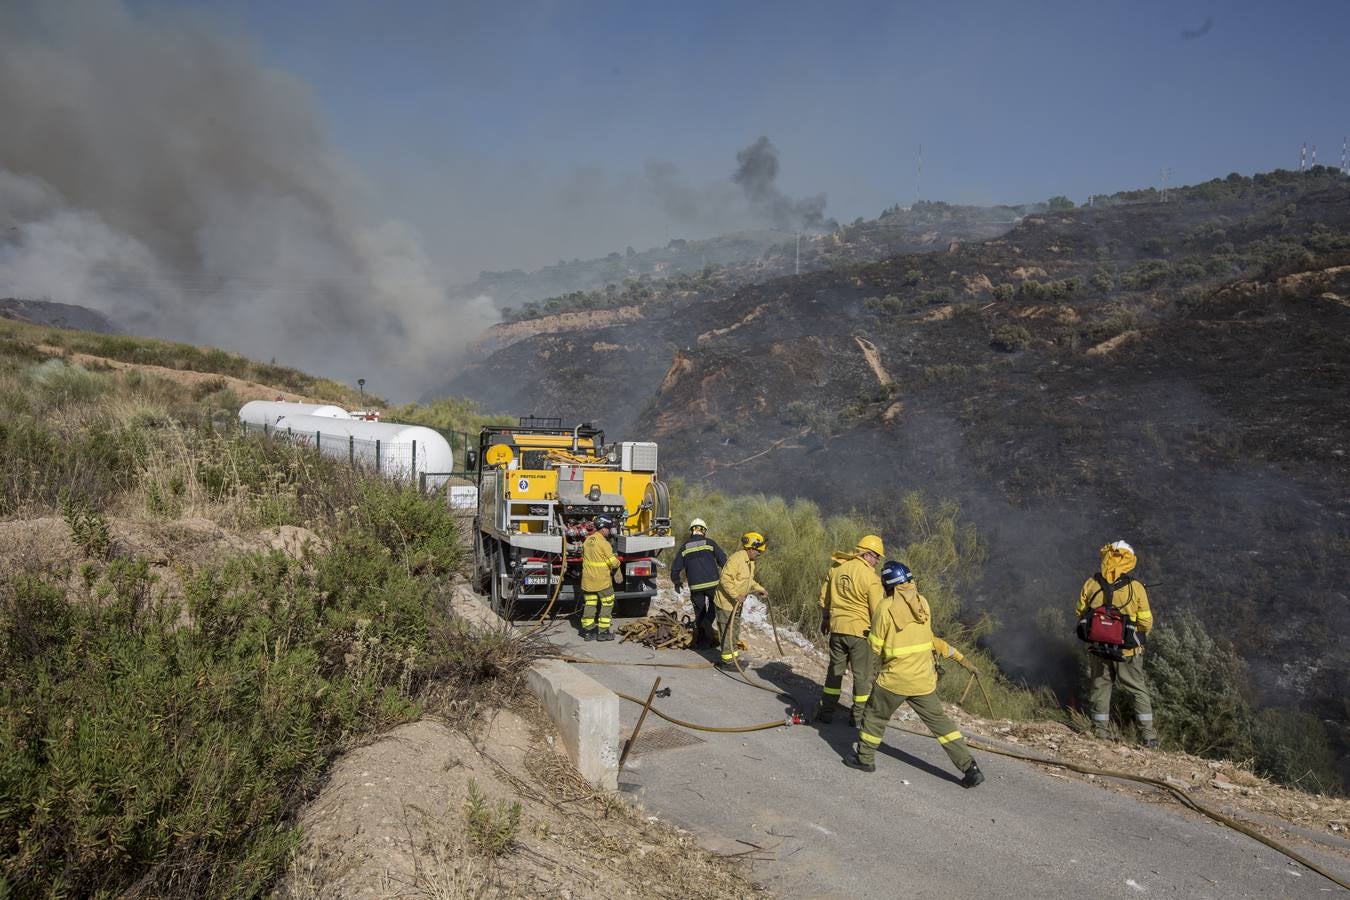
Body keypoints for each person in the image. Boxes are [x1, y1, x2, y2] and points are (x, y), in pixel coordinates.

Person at [846, 561, 985, 788]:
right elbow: (927, 637)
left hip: (895, 680)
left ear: (887, 585)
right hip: (923, 680)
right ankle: (970, 768)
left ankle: (864, 759)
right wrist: (962, 659)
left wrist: (871, 637)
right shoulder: (923, 603)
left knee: (874, 718)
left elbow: (875, 647)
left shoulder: (885, 607)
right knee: (942, 725)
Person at [1076, 540, 1157, 747]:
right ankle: (1148, 737)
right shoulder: (1136, 587)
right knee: (1138, 689)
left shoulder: (1091, 583)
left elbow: (1080, 612)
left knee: (1100, 687)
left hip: (1098, 649)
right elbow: (1146, 621)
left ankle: (1100, 733)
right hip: (1129, 652)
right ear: (1129, 561)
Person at [815, 534, 887, 728]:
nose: (878, 561)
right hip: (860, 633)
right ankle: (857, 717)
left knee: (835, 671)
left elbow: (824, 598)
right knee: (862, 676)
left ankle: (826, 711)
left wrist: (826, 619)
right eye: (876, 556)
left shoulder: (837, 569)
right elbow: (878, 610)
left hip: (837, 629)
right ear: (866, 554)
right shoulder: (871, 578)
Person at [712, 532, 769, 669]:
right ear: (750, 548)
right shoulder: (736, 560)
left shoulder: (750, 562)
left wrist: (760, 589)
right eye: (758, 550)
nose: (759, 553)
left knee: (734, 630)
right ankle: (727, 662)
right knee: (727, 631)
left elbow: (749, 581)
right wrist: (736, 595)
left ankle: (734, 658)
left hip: (736, 604)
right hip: (726, 603)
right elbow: (725, 579)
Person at [670, 517, 727, 649]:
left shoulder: (685, 547)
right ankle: (707, 623)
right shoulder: (710, 543)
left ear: (692, 531)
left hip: (695, 587)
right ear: (704, 531)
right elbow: (723, 561)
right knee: (716, 605)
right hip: (713, 584)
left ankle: (702, 642)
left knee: (700, 611)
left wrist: (677, 582)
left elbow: (675, 567)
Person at [580, 515, 621, 641]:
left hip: (587, 581)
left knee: (590, 603)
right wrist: (618, 563)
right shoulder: (604, 543)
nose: (609, 531)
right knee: (607, 602)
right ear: (603, 529)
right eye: (608, 529)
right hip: (602, 581)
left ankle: (589, 632)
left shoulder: (587, 541)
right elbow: (613, 562)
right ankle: (603, 632)